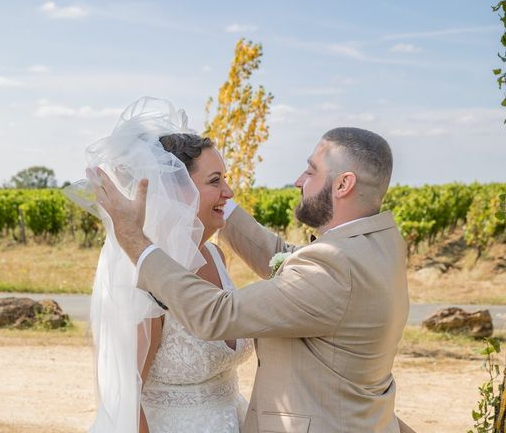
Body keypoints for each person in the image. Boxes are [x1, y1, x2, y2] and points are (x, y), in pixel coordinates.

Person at [93, 126, 417, 432]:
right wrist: (208, 199)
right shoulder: (378, 246)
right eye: (217, 180)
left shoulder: (335, 267)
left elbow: (216, 314)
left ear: (344, 184)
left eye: (311, 171)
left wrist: (136, 239)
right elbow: (283, 256)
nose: (298, 180)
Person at [65, 97, 252, 433]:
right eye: (215, 181)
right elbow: (127, 397)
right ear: (178, 192)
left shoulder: (216, 257)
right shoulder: (143, 276)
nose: (228, 191)